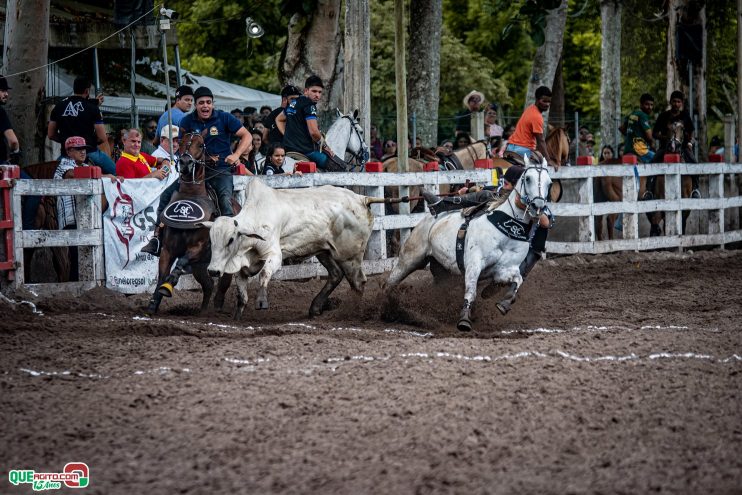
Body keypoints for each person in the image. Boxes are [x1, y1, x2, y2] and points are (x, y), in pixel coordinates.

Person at [54, 136, 120, 281]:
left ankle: (83, 285)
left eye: (84, 149)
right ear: (69, 151)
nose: (83, 152)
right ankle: (75, 285)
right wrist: (105, 176)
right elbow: (72, 175)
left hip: (85, 217)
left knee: (84, 253)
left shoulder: (85, 167)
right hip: (70, 218)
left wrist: (104, 177)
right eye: (78, 149)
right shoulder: (64, 165)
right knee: (75, 254)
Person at [47, 76, 115, 174]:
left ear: (74, 88)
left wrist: (66, 141)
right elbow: (102, 137)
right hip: (90, 152)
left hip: (66, 153)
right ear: (87, 91)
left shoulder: (58, 107)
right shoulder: (92, 108)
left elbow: (51, 134)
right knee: (118, 173)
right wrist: (91, 142)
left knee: (53, 174)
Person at [422, 165, 526, 216]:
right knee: (485, 193)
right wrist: (468, 191)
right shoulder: (501, 188)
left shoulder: (521, 195)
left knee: (486, 195)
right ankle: (443, 204)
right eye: (506, 179)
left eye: (510, 181)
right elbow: (495, 189)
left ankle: (442, 204)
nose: (505, 181)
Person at [279, 75, 335, 170]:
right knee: (334, 163)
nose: (317, 95)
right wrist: (326, 146)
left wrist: (287, 135)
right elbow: (314, 132)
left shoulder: (294, 102)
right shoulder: (310, 105)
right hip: (305, 151)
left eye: (320, 92)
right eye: (314, 91)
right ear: (306, 91)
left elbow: (279, 119)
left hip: (287, 149)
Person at [652, 90, 700, 198]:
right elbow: (654, 133)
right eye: (674, 101)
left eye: (678, 102)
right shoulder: (663, 116)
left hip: (682, 147)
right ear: (670, 102)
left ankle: (695, 189)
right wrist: (667, 138)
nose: (676, 104)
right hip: (665, 147)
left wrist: (689, 143)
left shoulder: (685, 116)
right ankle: (649, 191)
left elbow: (691, 131)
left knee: (694, 163)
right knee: (652, 162)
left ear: (682, 103)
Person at [505, 86, 557, 170]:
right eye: (544, 101)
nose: (547, 104)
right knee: (542, 169)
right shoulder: (536, 116)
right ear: (537, 99)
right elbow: (540, 141)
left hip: (511, 147)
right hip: (522, 150)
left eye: (549, 101)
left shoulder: (530, 109)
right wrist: (548, 160)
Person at [619, 93, 655, 164]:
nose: (649, 107)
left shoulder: (633, 114)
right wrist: (652, 144)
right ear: (641, 104)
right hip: (640, 151)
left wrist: (631, 135)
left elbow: (621, 128)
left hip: (627, 150)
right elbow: (649, 136)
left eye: (651, 105)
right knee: (658, 160)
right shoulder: (643, 115)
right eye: (647, 104)